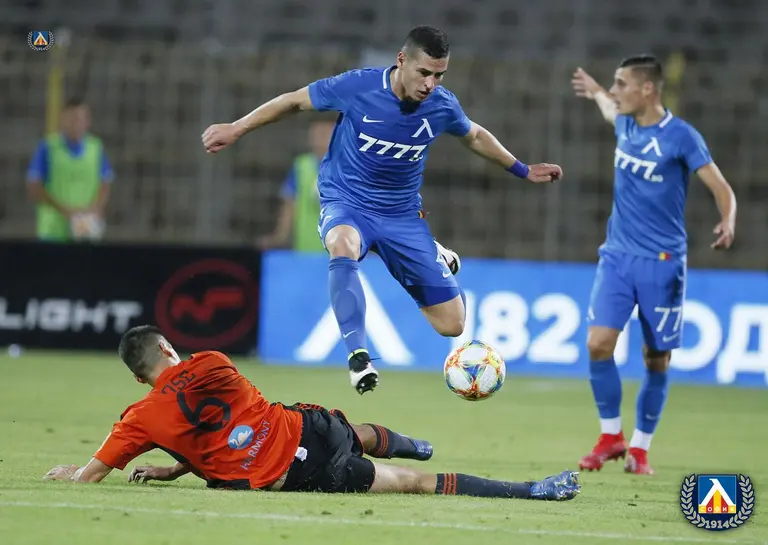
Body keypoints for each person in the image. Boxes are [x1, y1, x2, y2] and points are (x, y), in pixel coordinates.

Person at [201, 26, 563, 395]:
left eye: (439, 75)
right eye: (424, 73)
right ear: (402, 60)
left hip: (401, 216)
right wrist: (237, 128)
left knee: (452, 324)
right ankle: (358, 355)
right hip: (346, 201)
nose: (430, 84)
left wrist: (522, 169)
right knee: (342, 243)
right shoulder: (358, 87)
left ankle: (429, 251)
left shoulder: (442, 105)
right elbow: (294, 101)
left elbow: (474, 135)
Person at [44, 325, 581, 501]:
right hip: (308, 427)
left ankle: (532, 490)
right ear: (167, 348)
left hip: (301, 472)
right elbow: (224, 420)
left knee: (412, 483)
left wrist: (76, 473)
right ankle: (409, 439)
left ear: (138, 377)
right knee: (353, 429)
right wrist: (172, 468)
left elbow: (93, 474)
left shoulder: (139, 418)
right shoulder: (212, 361)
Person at [571, 55, 737, 475]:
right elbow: (608, 107)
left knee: (656, 356)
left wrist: (728, 220)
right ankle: (611, 436)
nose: (615, 91)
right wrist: (595, 91)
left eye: (621, 83)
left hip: (662, 264)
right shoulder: (625, 123)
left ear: (647, 89)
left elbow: (721, 187)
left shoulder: (682, 137)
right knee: (598, 343)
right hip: (617, 256)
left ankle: (640, 449)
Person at [26, 97, 114, 242]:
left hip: (85, 232)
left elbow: (105, 183)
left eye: (80, 119)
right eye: (71, 119)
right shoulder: (48, 148)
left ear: (87, 121)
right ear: (63, 121)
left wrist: (95, 208)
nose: (76, 124)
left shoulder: (96, 148)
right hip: (53, 233)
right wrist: (64, 210)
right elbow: (34, 187)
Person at [257, 118, 336, 253]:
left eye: (324, 133)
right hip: (306, 246)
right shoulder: (301, 166)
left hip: (339, 247)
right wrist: (279, 237)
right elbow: (289, 204)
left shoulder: (348, 167)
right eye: (315, 134)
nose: (319, 139)